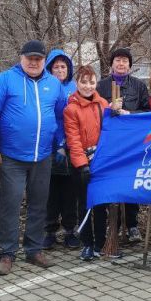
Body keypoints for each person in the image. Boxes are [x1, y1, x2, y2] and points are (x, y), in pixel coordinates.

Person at [0, 40, 67, 274]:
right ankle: (7, 254)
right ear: (21, 58)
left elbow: (62, 115)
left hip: (42, 156)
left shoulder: (54, 84)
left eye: (38, 59)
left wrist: (60, 143)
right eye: (29, 58)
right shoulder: (5, 80)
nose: (33, 62)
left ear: (44, 61)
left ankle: (34, 249)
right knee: (10, 205)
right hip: (12, 156)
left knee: (39, 204)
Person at [96, 47, 150, 243]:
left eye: (125, 61)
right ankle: (114, 224)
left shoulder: (138, 86)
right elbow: (94, 113)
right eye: (117, 60)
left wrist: (129, 114)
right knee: (112, 181)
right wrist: (108, 111)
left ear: (130, 65)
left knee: (132, 181)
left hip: (133, 142)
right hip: (110, 143)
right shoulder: (101, 86)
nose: (121, 64)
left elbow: (147, 112)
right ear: (111, 64)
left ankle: (133, 224)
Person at [63, 65, 111, 261]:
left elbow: (110, 131)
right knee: (84, 204)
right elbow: (73, 139)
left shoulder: (104, 105)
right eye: (84, 82)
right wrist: (81, 164)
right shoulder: (71, 109)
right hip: (82, 162)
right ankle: (87, 243)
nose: (88, 86)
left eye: (91, 82)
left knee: (100, 204)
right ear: (77, 83)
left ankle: (100, 242)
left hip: (101, 161)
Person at [44, 48, 80, 250]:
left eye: (63, 66)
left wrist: (66, 142)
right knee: (50, 192)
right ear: (49, 68)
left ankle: (69, 230)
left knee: (69, 191)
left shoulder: (74, 88)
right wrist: (56, 142)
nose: (59, 70)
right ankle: (49, 230)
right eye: (56, 66)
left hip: (71, 145)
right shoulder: (44, 87)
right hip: (48, 146)